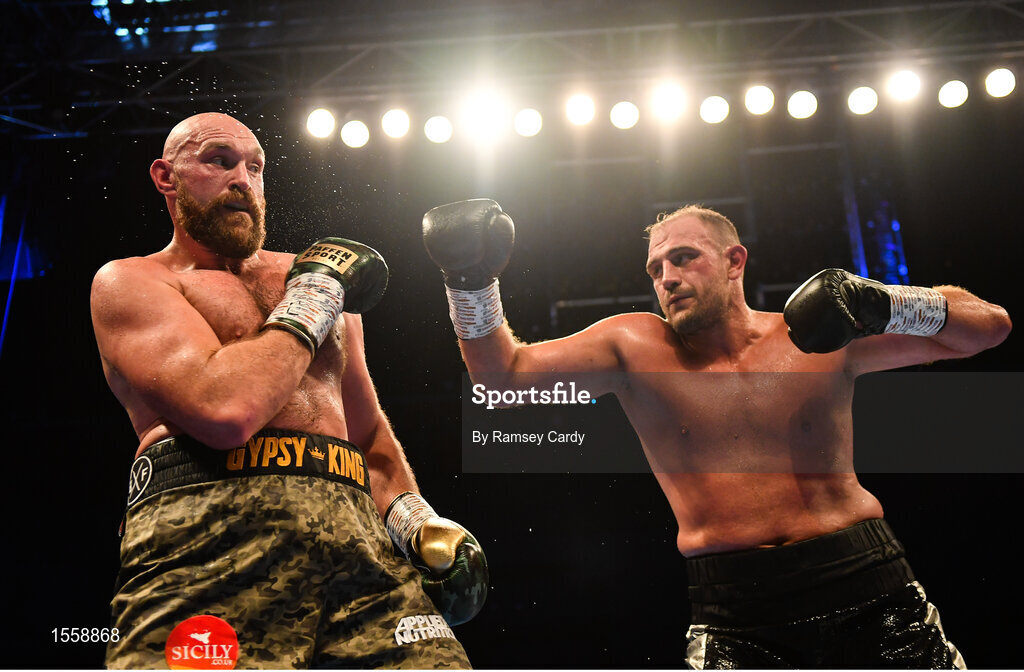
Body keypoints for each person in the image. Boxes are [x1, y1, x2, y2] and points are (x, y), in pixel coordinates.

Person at [422, 199, 1011, 669]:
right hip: (736, 614)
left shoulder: (814, 335)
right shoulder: (634, 347)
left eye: (683, 258)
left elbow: (988, 328)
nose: (667, 278)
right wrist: (469, 281)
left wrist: (885, 302)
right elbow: (503, 374)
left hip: (868, 588)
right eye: (656, 269)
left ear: (735, 261)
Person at [90, 112, 486, 669]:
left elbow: (367, 434)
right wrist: (316, 296)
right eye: (219, 161)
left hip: (357, 544)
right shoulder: (133, 282)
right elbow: (225, 409)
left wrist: (417, 522)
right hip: (210, 539)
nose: (242, 181)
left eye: (255, 168)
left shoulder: (314, 276)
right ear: (165, 177)